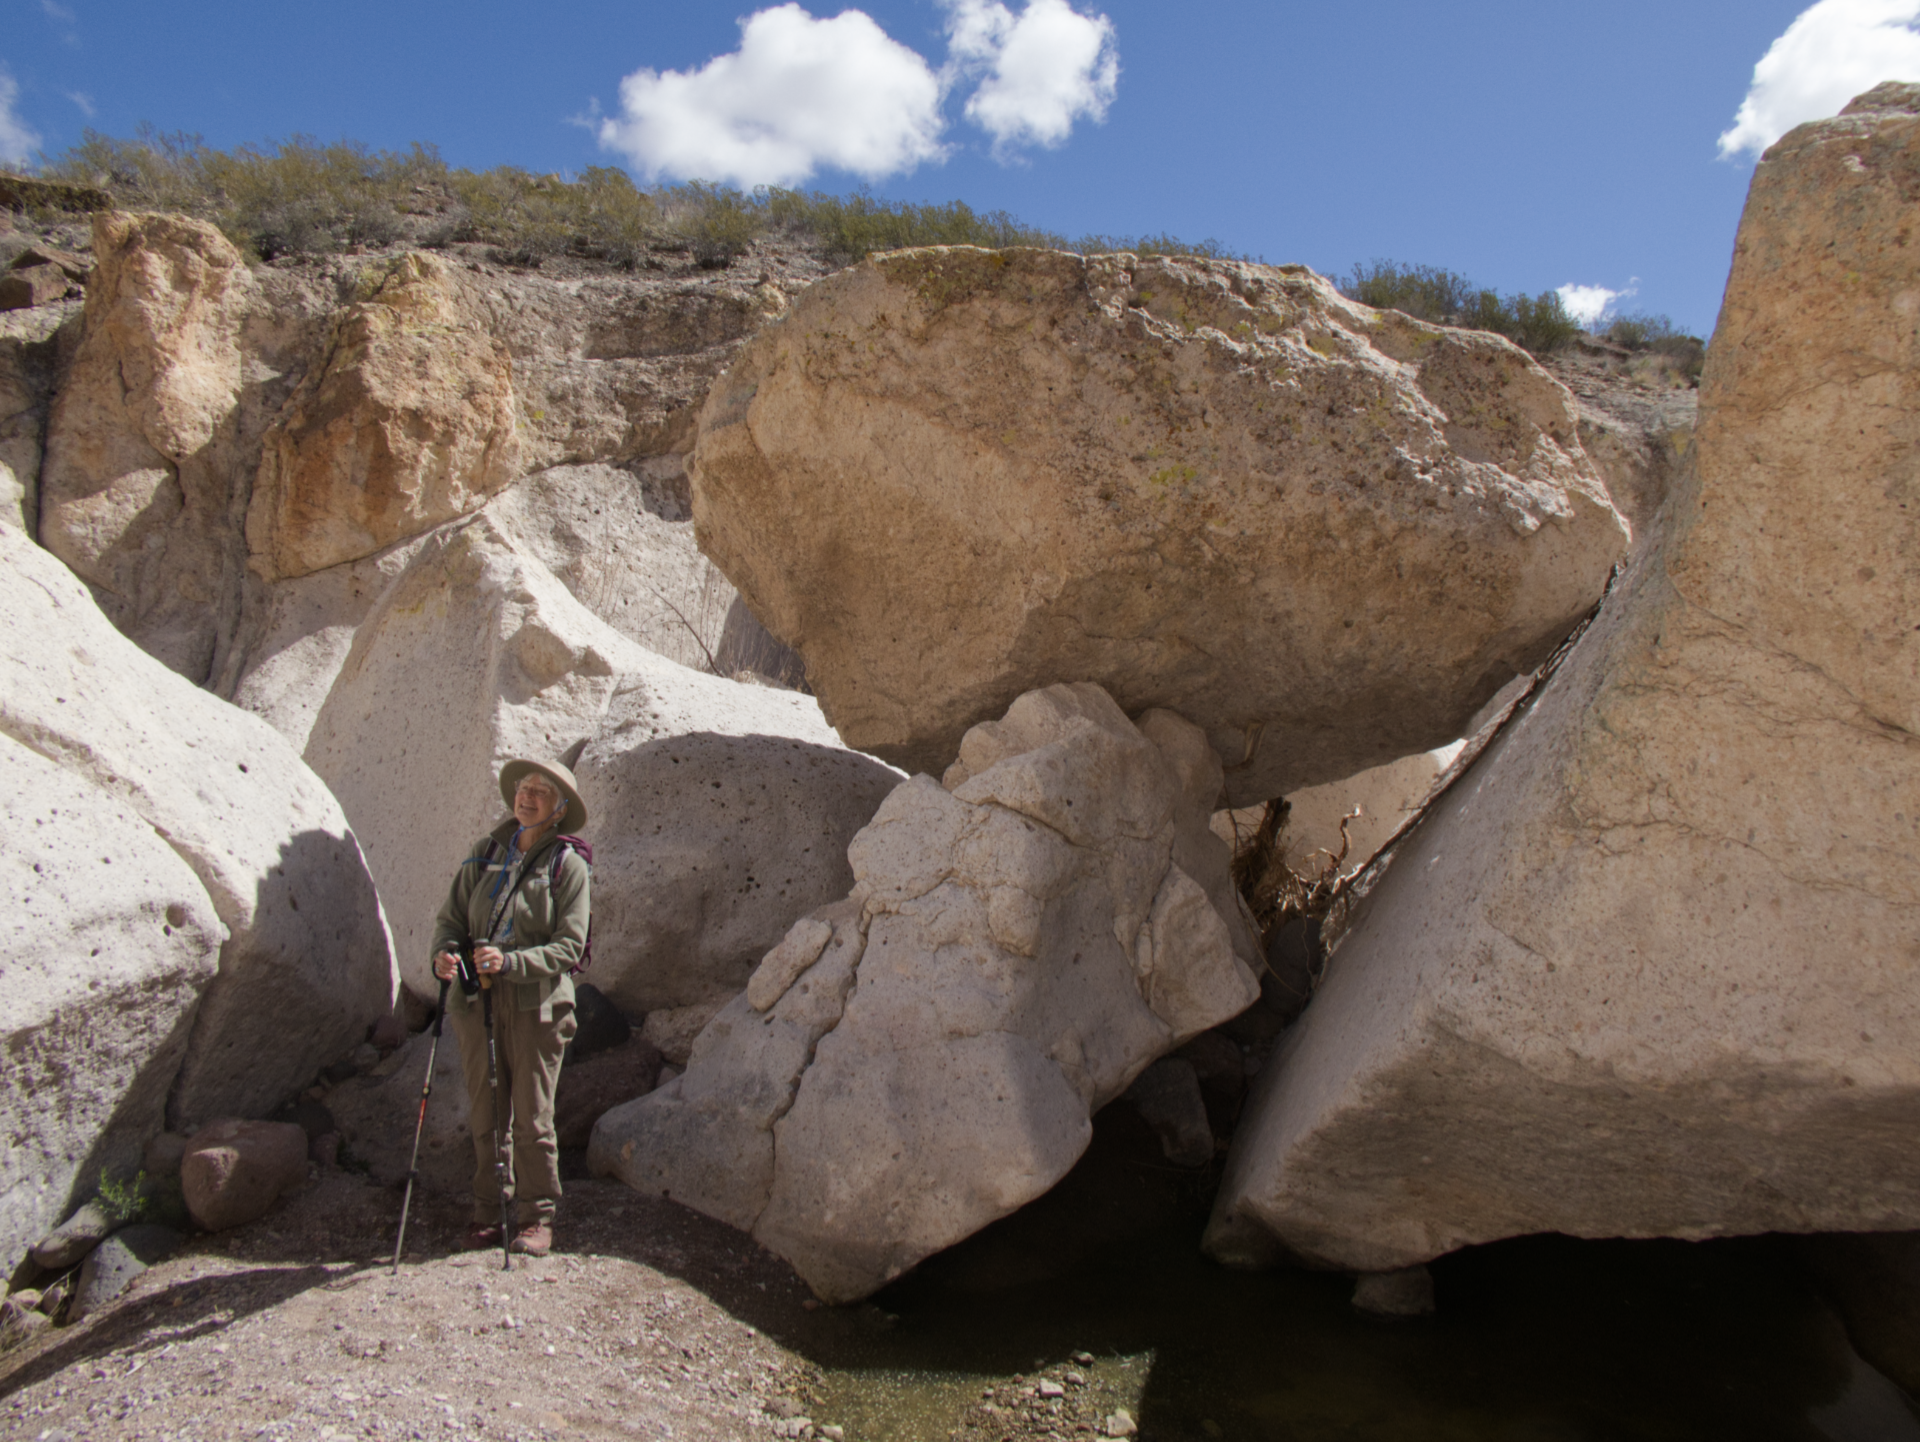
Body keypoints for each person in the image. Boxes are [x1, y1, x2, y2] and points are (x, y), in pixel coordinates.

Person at [430, 758, 591, 1257]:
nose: (528, 797)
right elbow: (451, 920)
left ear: (560, 809)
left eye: (542, 792)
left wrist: (512, 961)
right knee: (486, 1113)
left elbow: (571, 947)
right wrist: (444, 954)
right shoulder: (484, 855)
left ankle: (536, 1217)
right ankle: (487, 1211)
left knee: (532, 1118)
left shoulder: (568, 865)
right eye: (524, 788)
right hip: (477, 1002)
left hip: (537, 1006)